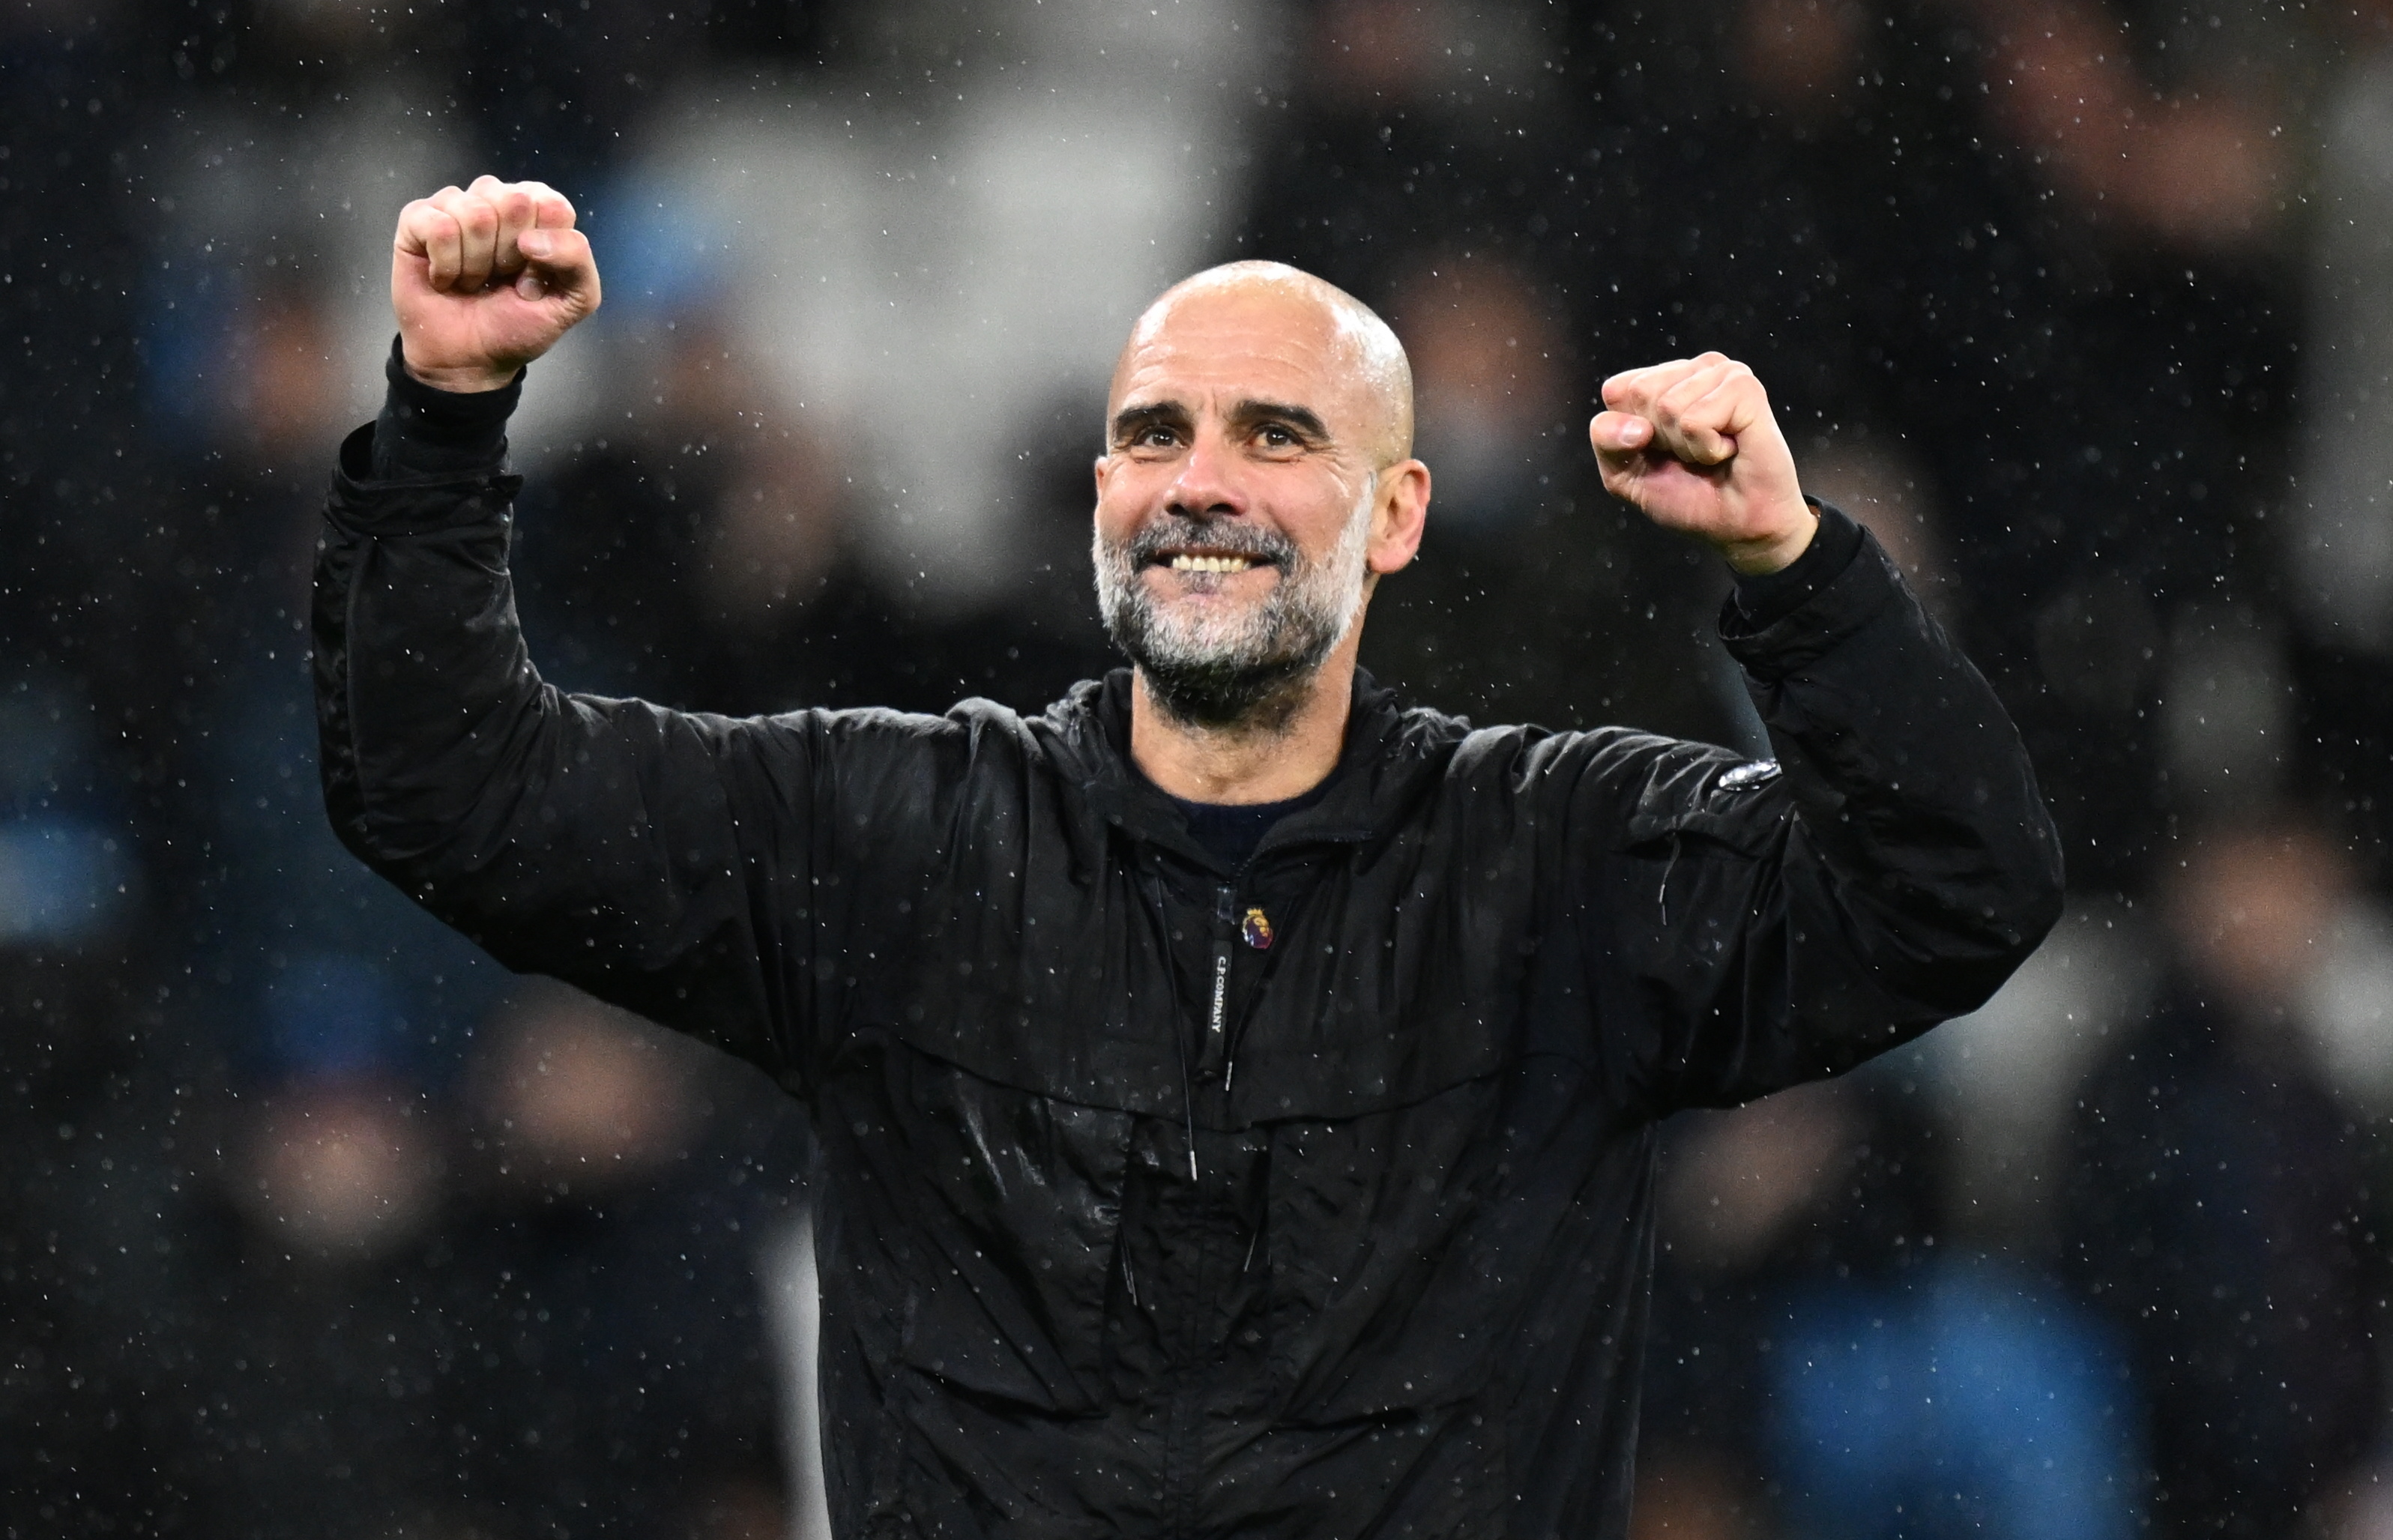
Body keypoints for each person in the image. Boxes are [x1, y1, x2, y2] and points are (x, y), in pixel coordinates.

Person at [313, 175, 2063, 1539]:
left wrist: (1796, 567)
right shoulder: (894, 836)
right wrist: (446, 415)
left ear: (1395, 516)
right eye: (1155, 434)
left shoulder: (1558, 854)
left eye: (1276, 436)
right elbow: (453, 789)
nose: (1198, 481)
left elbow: (1954, 886)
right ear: (1097, 495)